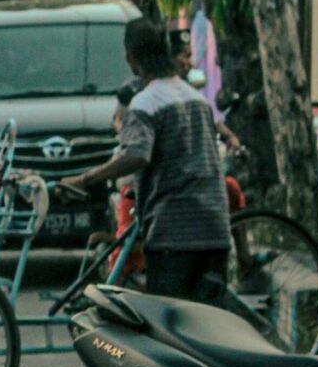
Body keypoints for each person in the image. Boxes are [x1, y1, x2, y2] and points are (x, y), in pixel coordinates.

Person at [61, 18, 230, 304]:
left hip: (174, 235)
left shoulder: (145, 103)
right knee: (209, 328)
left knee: (171, 329)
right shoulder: (196, 99)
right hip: (215, 229)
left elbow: (136, 155)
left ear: (131, 58)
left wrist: (85, 179)